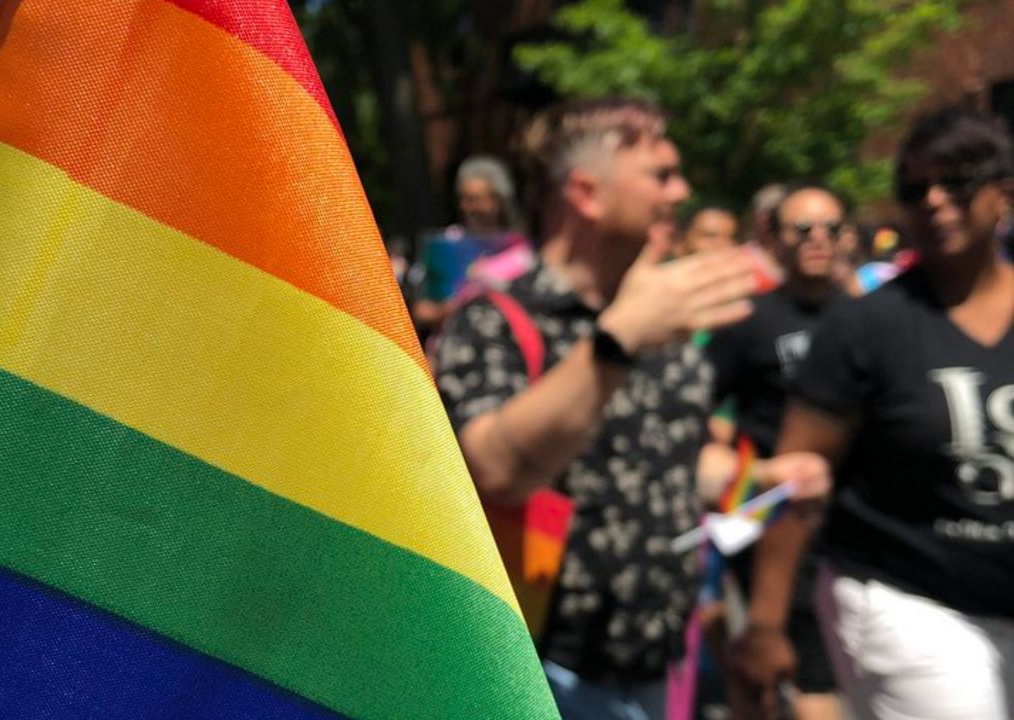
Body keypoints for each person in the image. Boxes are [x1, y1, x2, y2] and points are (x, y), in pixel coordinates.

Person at [433, 97, 759, 720]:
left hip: (660, 664)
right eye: (661, 175)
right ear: (586, 192)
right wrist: (617, 342)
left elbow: (668, 457)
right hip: (539, 675)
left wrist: (757, 478)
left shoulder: (663, 317)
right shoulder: (495, 319)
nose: (681, 191)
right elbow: (496, 469)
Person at [736, 106, 1014, 719]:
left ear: (1003, 193)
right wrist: (764, 624)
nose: (935, 201)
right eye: (915, 189)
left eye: (957, 182)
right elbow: (797, 477)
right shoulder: (866, 327)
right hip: (907, 599)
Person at [706, 185, 850, 720]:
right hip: (766, 519)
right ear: (775, 238)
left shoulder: (868, 320)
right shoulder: (749, 320)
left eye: (831, 229)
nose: (818, 240)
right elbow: (701, 404)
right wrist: (727, 467)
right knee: (766, 669)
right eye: (802, 229)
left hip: (845, 524)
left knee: (817, 666)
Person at [410, 155, 533, 335]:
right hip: (452, 348)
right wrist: (447, 310)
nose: (468, 207)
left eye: (476, 199)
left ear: (498, 200)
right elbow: (420, 310)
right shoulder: (446, 244)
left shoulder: (521, 249)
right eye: (463, 199)